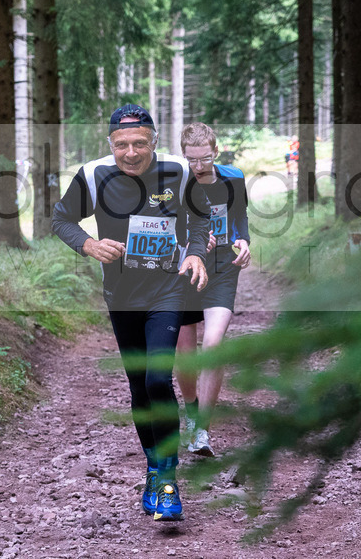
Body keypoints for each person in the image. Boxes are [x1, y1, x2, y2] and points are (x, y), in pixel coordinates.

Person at [52, 104, 210, 522]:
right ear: (111, 144)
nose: (131, 152)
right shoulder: (93, 174)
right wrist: (88, 245)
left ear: (154, 141)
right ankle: (153, 467)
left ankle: (169, 481)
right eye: (122, 144)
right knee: (139, 385)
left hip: (167, 290)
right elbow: (61, 218)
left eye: (140, 143)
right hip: (121, 294)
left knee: (158, 376)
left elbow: (198, 220)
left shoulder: (177, 171)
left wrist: (195, 255)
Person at [175, 122, 251, 457]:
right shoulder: (176, 181)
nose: (198, 166)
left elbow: (240, 217)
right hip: (185, 269)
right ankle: (191, 413)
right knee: (187, 351)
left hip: (222, 268)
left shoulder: (233, 177)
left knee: (214, 344)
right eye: (191, 160)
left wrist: (244, 240)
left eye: (204, 159)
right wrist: (189, 241)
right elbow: (169, 224)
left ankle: (203, 430)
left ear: (215, 152)